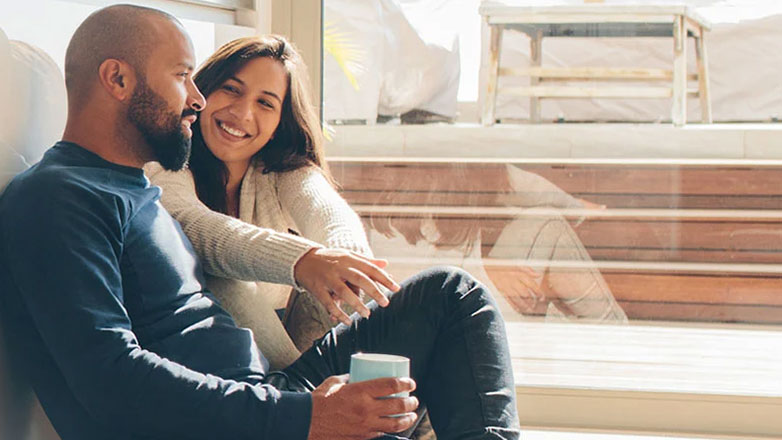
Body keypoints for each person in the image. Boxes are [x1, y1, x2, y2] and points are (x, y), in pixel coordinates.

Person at [0, 5, 520, 440]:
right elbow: (110, 381)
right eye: (183, 76)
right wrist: (307, 417)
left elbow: (323, 209)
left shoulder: (132, 185)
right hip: (245, 421)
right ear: (117, 78)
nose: (197, 99)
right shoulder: (58, 196)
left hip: (267, 395)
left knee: (452, 296)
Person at [145, 35, 373, 370]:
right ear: (203, 90)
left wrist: (347, 260)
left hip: (288, 339)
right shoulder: (167, 163)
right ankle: (307, 396)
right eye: (232, 89)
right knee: (222, 275)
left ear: (281, 122)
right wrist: (303, 260)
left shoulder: (283, 171)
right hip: (206, 356)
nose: (242, 112)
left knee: (451, 288)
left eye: (265, 103)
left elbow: (327, 212)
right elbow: (192, 225)